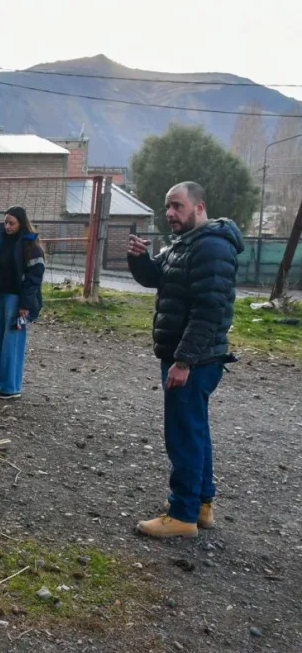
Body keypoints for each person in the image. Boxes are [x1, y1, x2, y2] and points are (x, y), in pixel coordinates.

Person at [127, 181, 244, 538]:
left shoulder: (211, 247)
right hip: (190, 356)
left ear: (199, 207)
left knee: (183, 434)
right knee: (195, 431)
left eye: (177, 206)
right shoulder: (185, 243)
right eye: (167, 207)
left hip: (195, 359)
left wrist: (184, 361)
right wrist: (138, 258)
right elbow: (156, 278)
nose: (170, 214)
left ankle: (182, 515)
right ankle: (201, 506)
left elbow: (209, 310)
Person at [0, 206, 46, 400]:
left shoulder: (31, 246)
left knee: (12, 341)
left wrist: (25, 305)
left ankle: (11, 386)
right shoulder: (1, 239)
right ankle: (0, 380)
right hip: (1, 294)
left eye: (12, 223)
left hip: (17, 299)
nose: (8, 226)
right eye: (6, 222)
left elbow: (34, 278)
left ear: (21, 223)